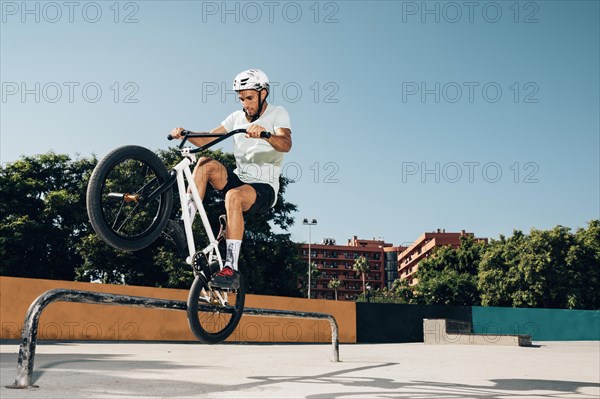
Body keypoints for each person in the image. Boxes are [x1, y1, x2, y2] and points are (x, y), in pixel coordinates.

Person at [168, 69, 292, 289]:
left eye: (250, 98)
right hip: (239, 177)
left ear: (263, 93)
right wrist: (187, 133)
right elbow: (209, 138)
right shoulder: (236, 118)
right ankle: (183, 223)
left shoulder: (277, 113)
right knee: (205, 163)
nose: (246, 104)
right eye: (242, 99)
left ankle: (231, 268)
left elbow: (286, 143)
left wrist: (265, 134)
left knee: (233, 197)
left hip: (263, 188)